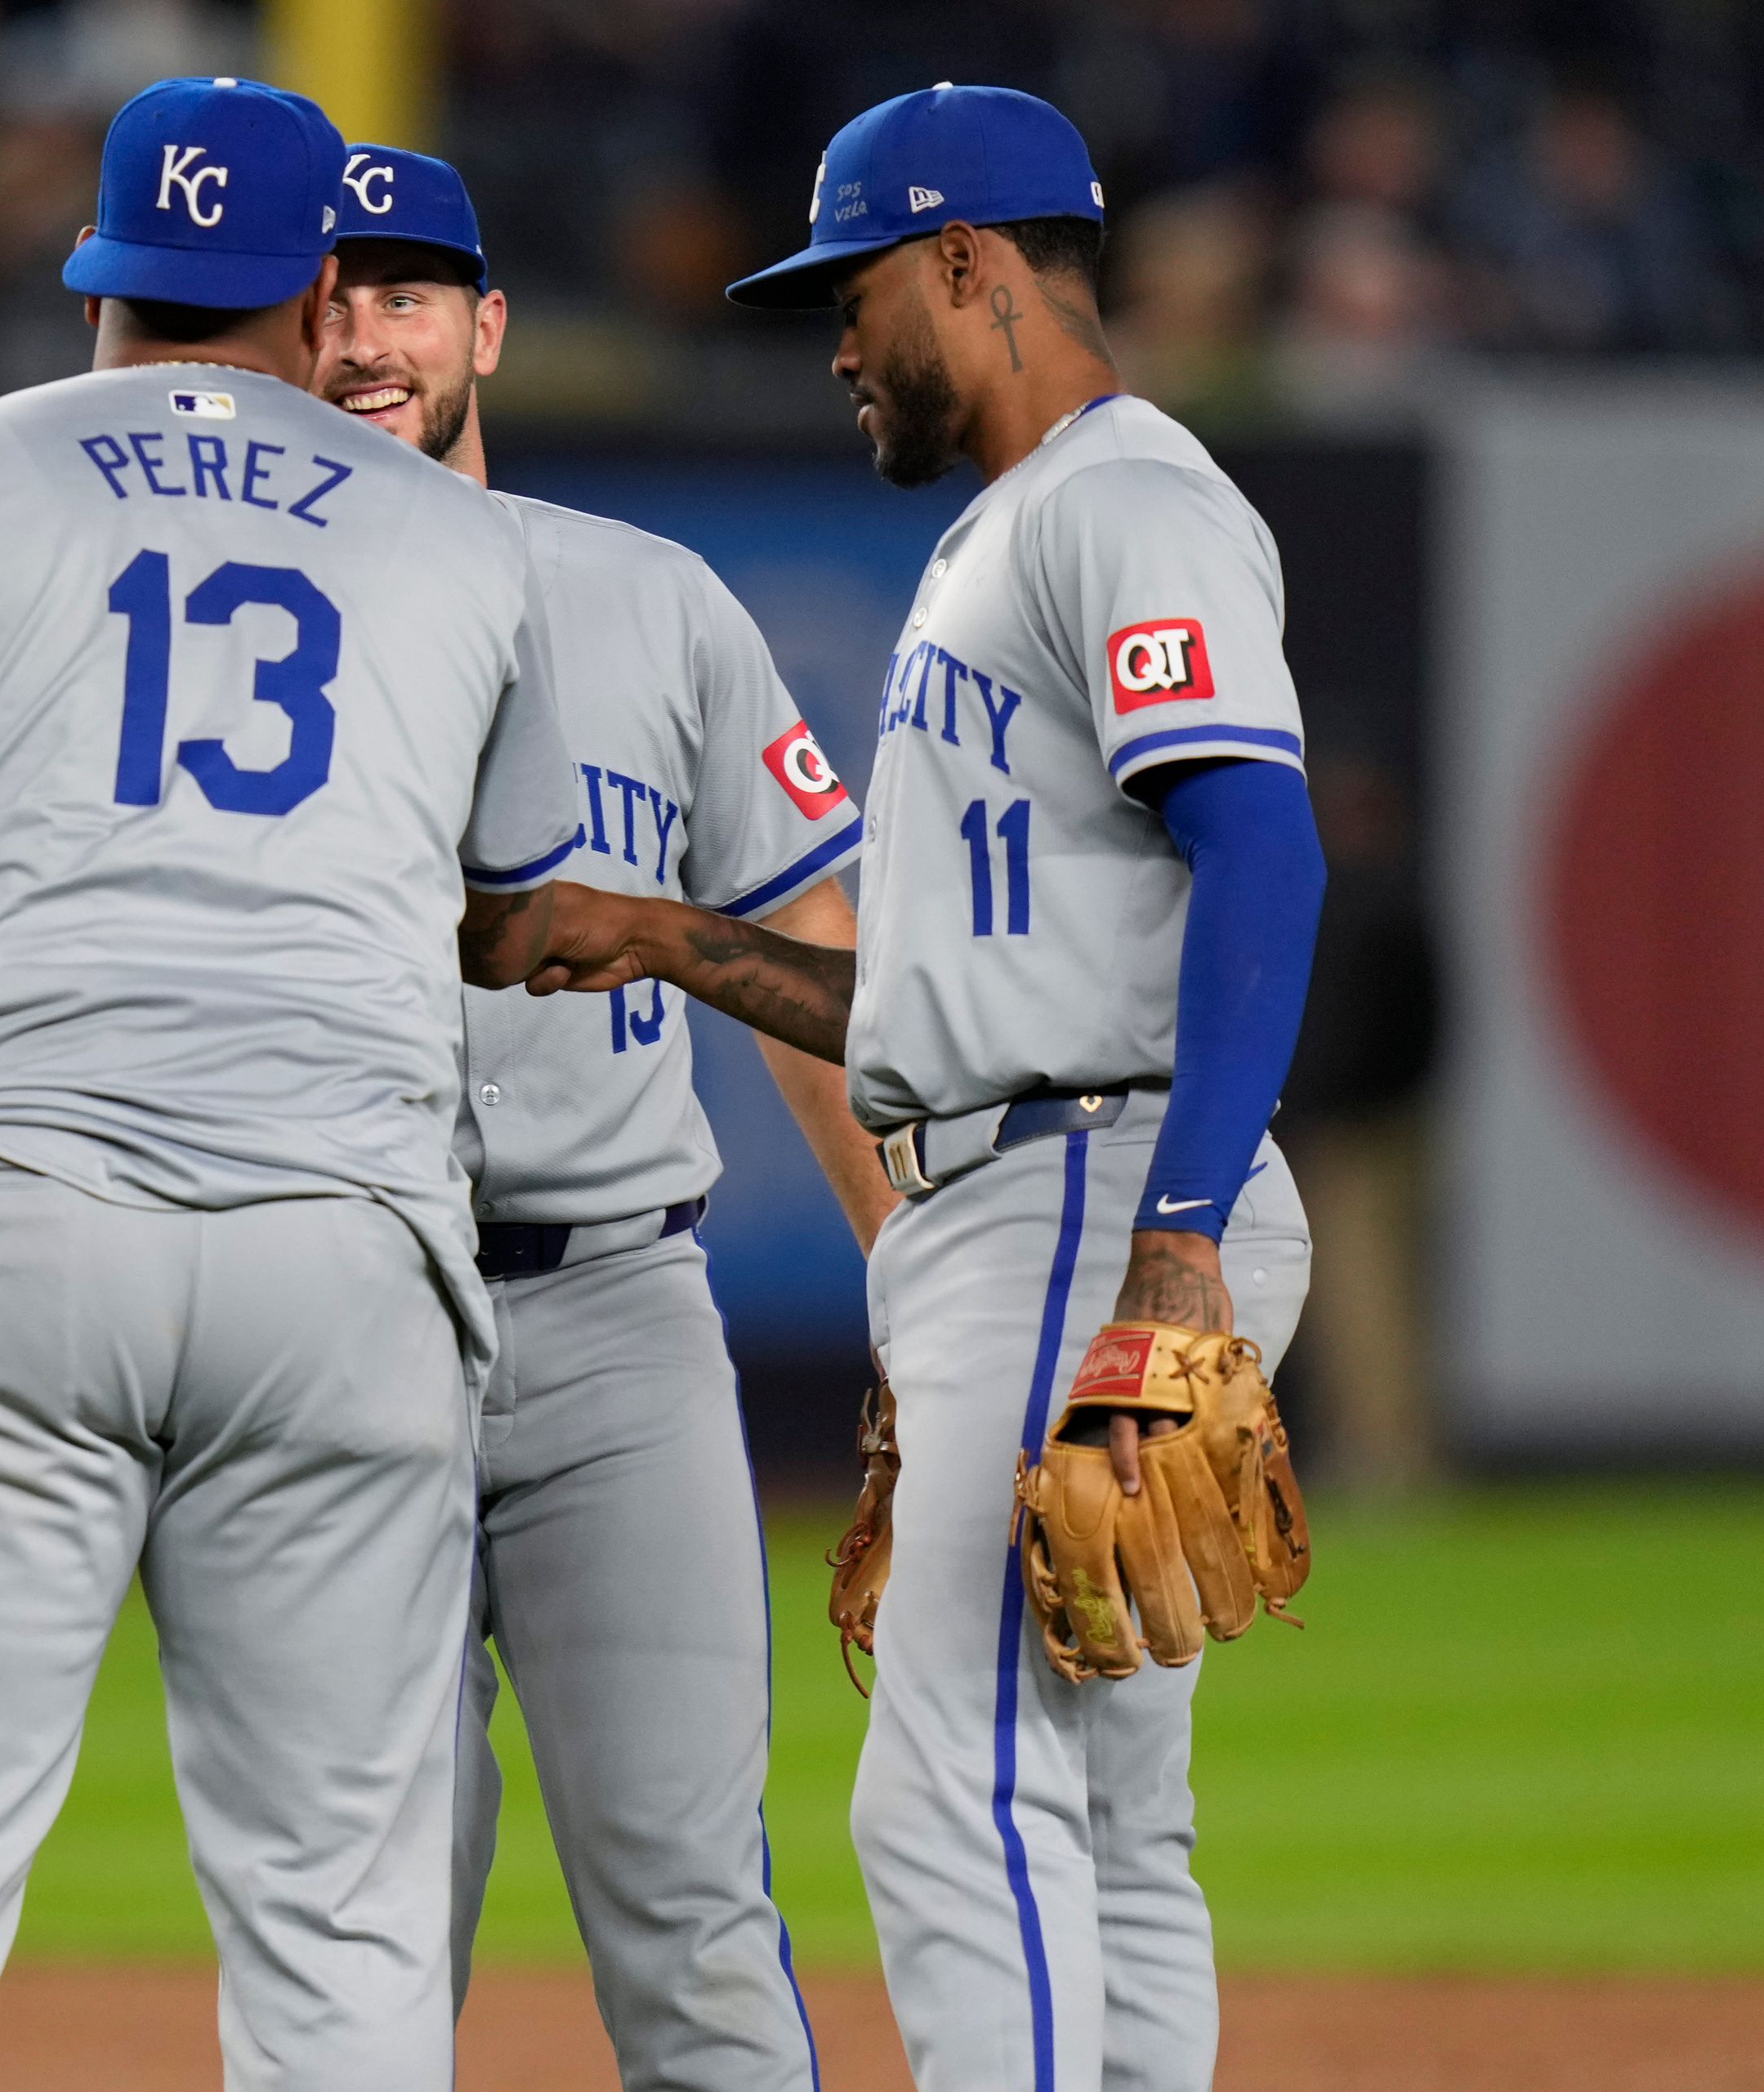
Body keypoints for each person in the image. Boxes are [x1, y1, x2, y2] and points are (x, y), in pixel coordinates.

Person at [0, 76, 852, 2092]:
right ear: (313, 289)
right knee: (341, 1906)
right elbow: (503, 920)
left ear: (98, 278)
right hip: (345, 1252)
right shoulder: (462, 547)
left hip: (5, 1227)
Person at [723, 85, 1327, 2092]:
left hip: (1099, 1178)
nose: (834, 340)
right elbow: (931, 998)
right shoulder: (1023, 525)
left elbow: (1263, 845)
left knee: (947, 1786)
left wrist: (1169, 1251)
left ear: (970, 263)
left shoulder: (1119, 498)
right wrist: (664, 941)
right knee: (1099, 1810)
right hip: (1036, 1180)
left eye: (856, 283)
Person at [313, 145, 889, 2090]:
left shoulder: (654, 599)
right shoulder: (224, 623)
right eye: (328, 293)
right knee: (362, 1920)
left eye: (406, 292)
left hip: (615, 1311)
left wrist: (920, 1270)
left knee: (689, 1900)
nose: (363, 333)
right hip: (324, 1315)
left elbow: (809, 947)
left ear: (486, 326)